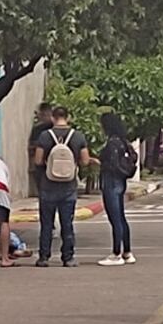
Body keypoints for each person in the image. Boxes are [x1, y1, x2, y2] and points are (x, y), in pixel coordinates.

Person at [35, 106, 90, 267]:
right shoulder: (78, 136)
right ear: (68, 117)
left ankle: (44, 257)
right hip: (69, 187)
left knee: (46, 224)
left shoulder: (45, 136)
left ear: (53, 118)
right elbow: (85, 161)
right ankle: (68, 257)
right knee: (67, 224)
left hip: (48, 186)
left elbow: (37, 160)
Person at [97, 113, 137, 266]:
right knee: (121, 217)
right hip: (120, 181)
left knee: (115, 218)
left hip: (111, 181)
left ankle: (116, 253)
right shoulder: (123, 141)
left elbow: (112, 164)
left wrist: (100, 162)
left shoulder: (112, 143)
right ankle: (127, 251)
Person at [26, 103, 54, 198]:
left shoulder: (39, 128)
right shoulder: (40, 128)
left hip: (44, 164)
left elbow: (32, 146)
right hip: (45, 165)